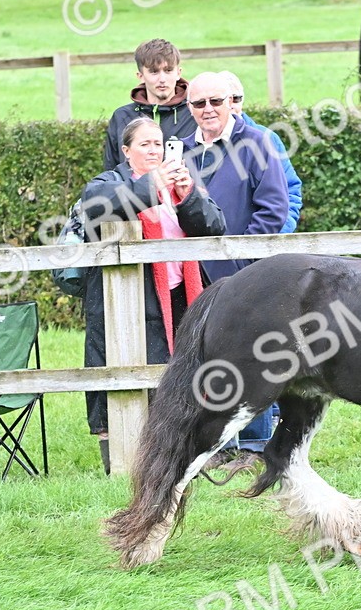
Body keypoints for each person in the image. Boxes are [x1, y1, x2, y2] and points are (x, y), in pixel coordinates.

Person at [82, 117, 225, 474]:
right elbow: (96, 207)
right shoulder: (111, 182)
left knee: (182, 380)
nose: (154, 151)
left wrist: (188, 194)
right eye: (145, 144)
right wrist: (151, 185)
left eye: (158, 144)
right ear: (126, 151)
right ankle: (126, 464)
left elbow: (214, 226)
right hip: (131, 302)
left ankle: (181, 460)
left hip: (182, 298)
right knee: (133, 384)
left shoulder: (178, 182)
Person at [181, 71, 287, 468]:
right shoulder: (181, 151)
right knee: (207, 358)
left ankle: (255, 448)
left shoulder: (259, 143)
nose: (207, 110)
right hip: (194, 274)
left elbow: (274, 210)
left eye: (215, 101)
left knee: (254, 357)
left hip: (246, 277)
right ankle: (215, 443)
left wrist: (245, 268)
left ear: (231, 102)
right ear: (189, 108)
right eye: (198, 103)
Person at [220, 71, 303, 234]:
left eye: (236, 99)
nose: (231, 105)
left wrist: (278, 233)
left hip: (263, 243)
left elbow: (291, 191)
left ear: (243, 100)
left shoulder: (268, 139)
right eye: (223, 100)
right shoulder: (200, 141)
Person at [103, 39, 197, 172]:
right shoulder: (121, 116)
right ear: (140, 76)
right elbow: (110, 172)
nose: (162, 79)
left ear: (178, 73)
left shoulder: (194, 112)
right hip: (133, 192)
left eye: (168, 70)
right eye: (154, 72)